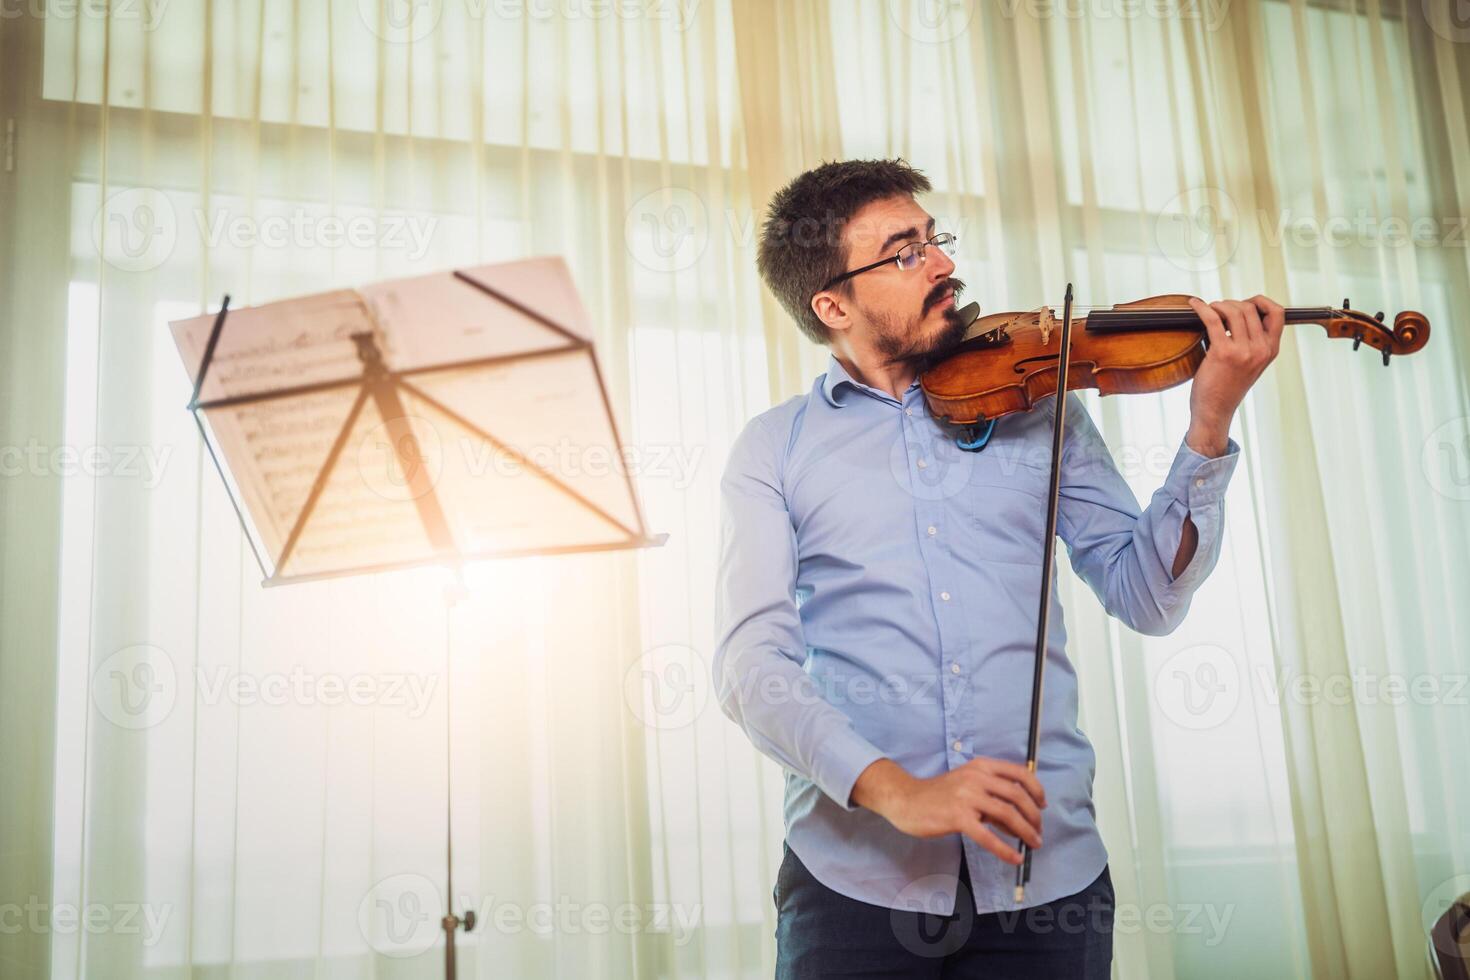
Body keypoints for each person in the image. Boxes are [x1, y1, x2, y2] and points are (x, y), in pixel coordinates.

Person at [713, 158, 1283, 978]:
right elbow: (748, 668)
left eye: (934, 240)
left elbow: (1148, 596)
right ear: (832, 304)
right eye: (904, 252)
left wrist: (1209, 423)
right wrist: (897, 790)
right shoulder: (774, 449)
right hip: (851, 891)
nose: (944, 263)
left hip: (1049, 886)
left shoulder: (1041, 403)